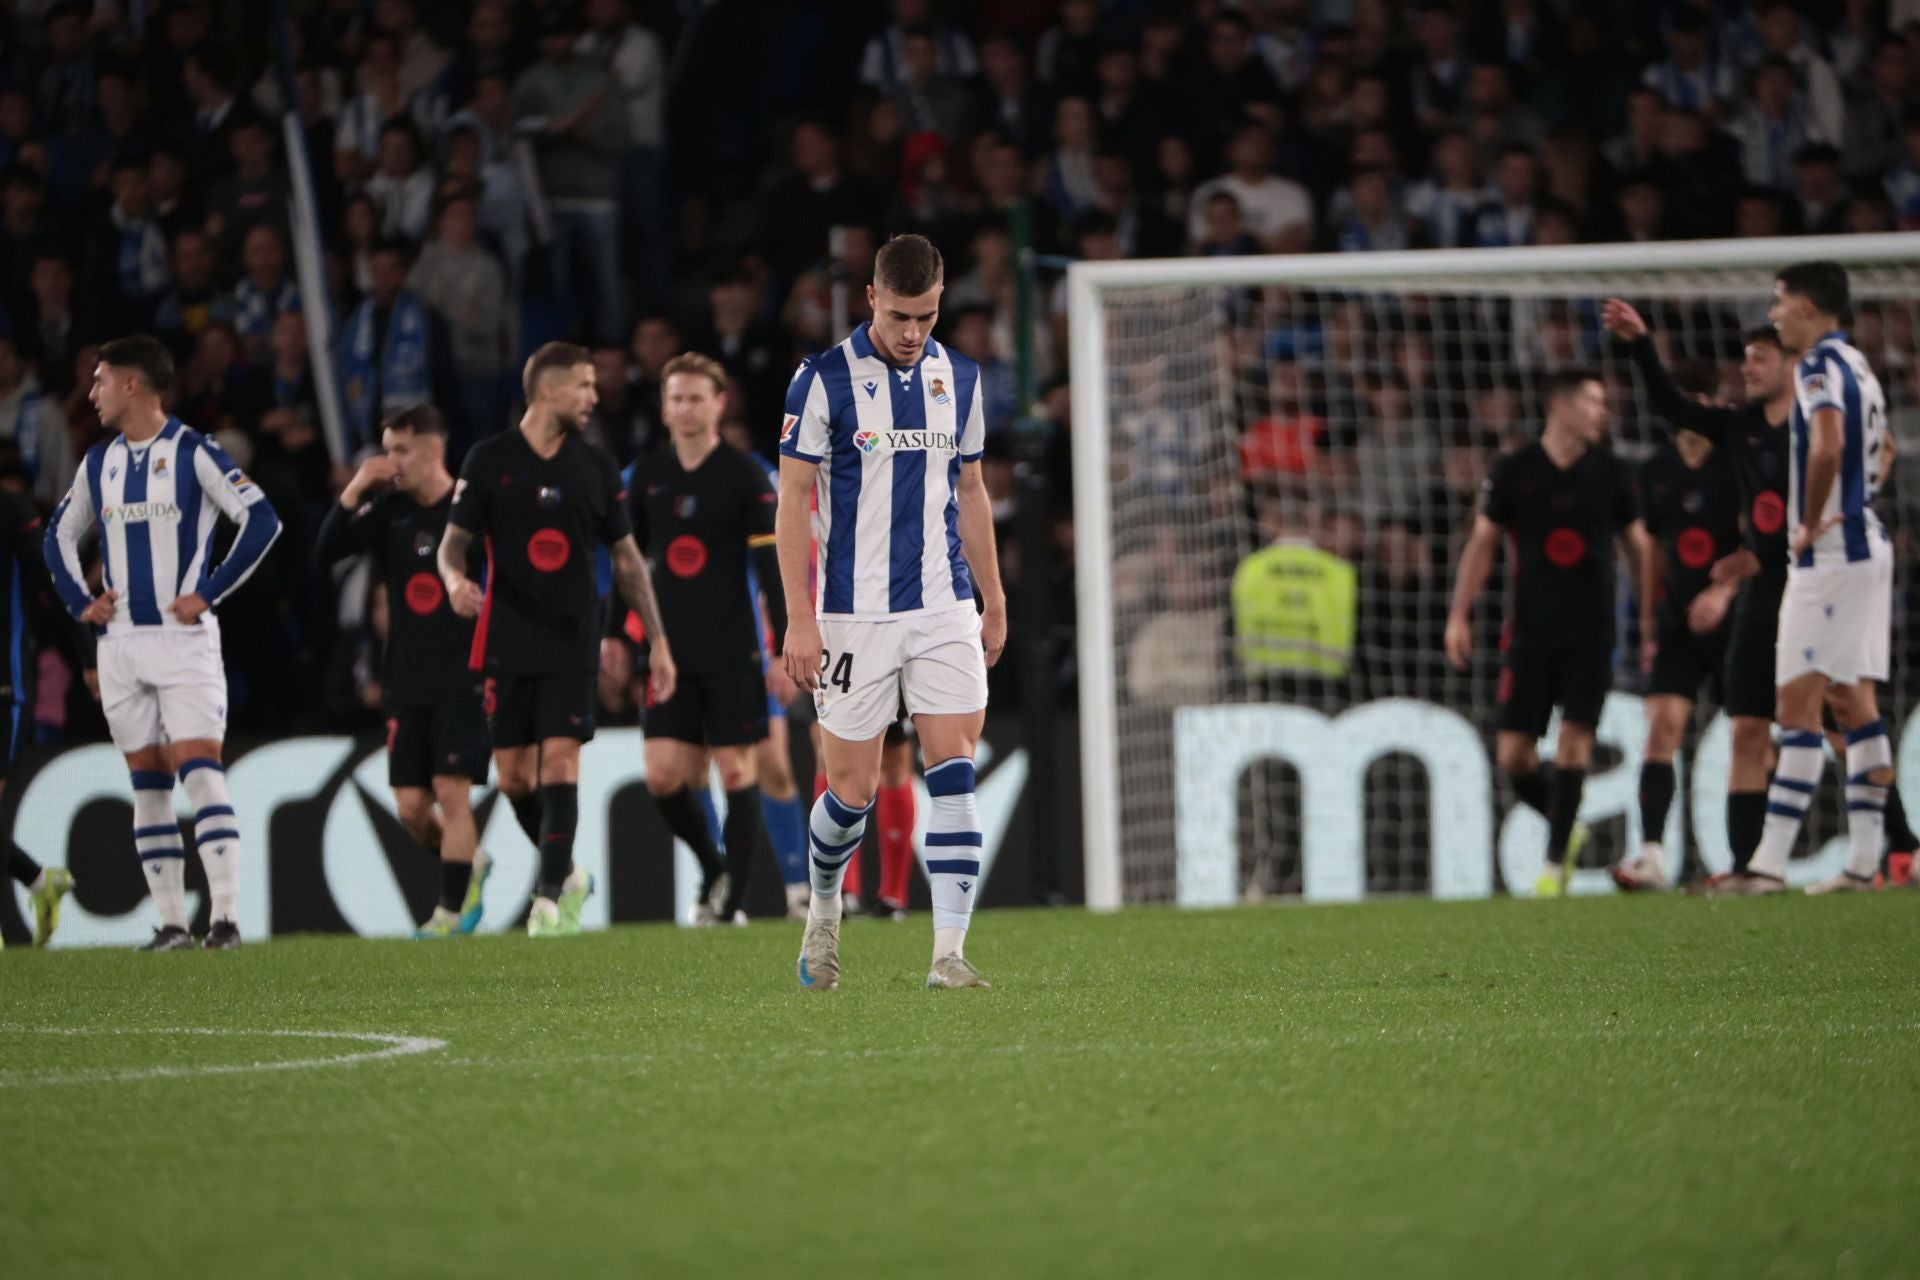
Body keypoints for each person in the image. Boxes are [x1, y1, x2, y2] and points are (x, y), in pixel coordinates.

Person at [778, 233, 1006, 991]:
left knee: (954, 769)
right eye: (901, 315)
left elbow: (970, 491)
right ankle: (824, 906)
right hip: (852, 616)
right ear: (871, 297)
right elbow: (792, 502)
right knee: (851, 792)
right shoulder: (821, 380)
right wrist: (800, 618)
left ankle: (948, 954)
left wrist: (994, 598)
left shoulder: (961, 378)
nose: (913, 333)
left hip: (943, 605)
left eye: (928, 317)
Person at [44, 335, 283, 950]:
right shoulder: (98, 462)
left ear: (132, 384)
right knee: (147, 781)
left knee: (199, 769)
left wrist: (210, 590)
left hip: (182, 641)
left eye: (100, 380)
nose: (91, 394)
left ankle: (225, 919)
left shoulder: (194, 452)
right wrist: (80, 603)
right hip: (120, 643)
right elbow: (57, 536)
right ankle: (173, 924)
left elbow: (262, 519)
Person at [439, 342, 676, 937]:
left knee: (561, 762)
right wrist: (454, 581)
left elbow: (627, 560)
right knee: (515, 778)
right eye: (583, 385)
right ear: (548, 391)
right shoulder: (488, 460)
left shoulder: (594, 465)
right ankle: (569, 875)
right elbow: (451, 547)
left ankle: (546, 903)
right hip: (505, 638)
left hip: (574, 640)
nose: (594, 397)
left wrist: (658, 640)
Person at [1716, 263, 1895, 896]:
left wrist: (1811, 521)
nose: (1774, 314)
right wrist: (1855, 501)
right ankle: (1865, 862)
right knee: (1854, 706)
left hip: (1830, 560)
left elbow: (1827, 444)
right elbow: (1886, 450)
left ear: (1808, 307)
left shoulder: (1816, 365)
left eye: (1779, 302)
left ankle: (1766, 865)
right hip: (1866, 548)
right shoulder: (1860, 365)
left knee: (1796, 708)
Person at [1444, 368, 1650, 897]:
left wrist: (1649, 621)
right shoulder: (1515, 471)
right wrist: (1458, 614)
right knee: (1513, 755)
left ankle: (1554, 868)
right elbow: (1483, 543)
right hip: (1530, 636)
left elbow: (1640, 548)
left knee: (1573, 744)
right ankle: (1567, 825)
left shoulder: (1612, 472)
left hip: (1592, 635)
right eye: (1593, 401)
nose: (1602, 412)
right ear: (1560, 404)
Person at [621, 353, 786, 925]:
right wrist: (620, 635)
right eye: (676, 398)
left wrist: (781, 648)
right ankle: (715, 868)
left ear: (720, 404)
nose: (686, 408)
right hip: (669, 651)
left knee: (736, 771)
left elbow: (770, 569)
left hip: (732, 647)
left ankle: (732, 904)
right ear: (664, 407)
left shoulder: (744, 476)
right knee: (664, 775)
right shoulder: (647, 477)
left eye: (696, 398)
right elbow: (628, 565)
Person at [317, 405, 491, 938]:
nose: (391, 461)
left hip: (463, 675)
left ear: (433, 449)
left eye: (401, 450)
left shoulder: (471, 507)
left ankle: (450, 913)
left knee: (451, 791)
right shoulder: (390, 510)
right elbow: (326, 551)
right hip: (407, 678)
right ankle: (471, 863)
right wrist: (355, 489)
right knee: (413, 808)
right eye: (387, 449)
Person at [1616, 427, 1741, 890]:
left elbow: (1761, 541)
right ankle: (1651, 856)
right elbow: (1652, 549)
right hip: (1676, 623)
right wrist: (1650, 622)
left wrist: (1724, 593)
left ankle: (1756, 856)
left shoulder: (1737, 461)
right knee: (1660, 730)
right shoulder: (1656, 470)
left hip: (1737, 622)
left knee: (1750, 736)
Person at [1, 482, 76, 945]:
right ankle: (38, 880)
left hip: (3, 685)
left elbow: (51, 578)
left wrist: (86, 653)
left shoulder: (10, 509)